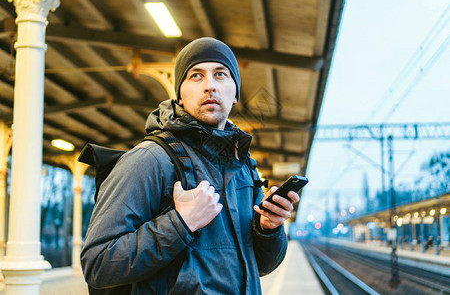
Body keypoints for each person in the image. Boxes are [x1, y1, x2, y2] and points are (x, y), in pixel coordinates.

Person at [81, 37, 300, 294]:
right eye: (196, 76)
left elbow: (261, 266)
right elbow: (97, 264)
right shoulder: (149, 160)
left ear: (236, 93)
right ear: (180, 96)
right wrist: (180, 223)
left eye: (221, 75)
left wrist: (269, 229)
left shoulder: (244, 169)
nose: (210, 86)